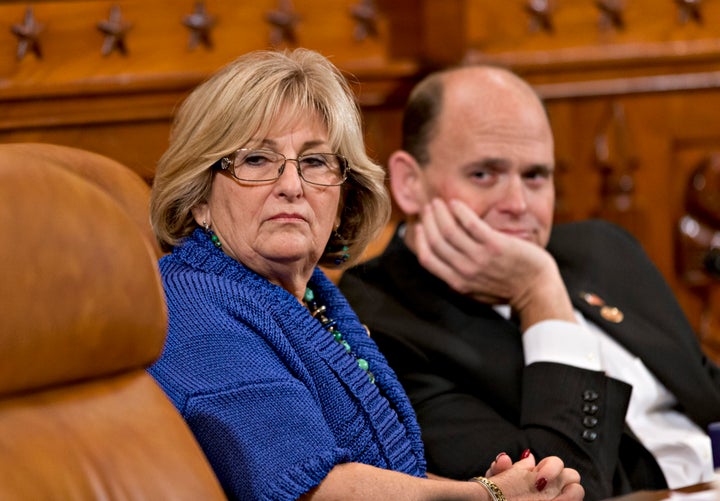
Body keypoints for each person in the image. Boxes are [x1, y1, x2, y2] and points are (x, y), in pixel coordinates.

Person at [147, 49, 584, 501]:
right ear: (199, 197)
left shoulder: (313, 296)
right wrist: (487, 497)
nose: (292, 186)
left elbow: (384, 470)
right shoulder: (194, 302)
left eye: (316, 162)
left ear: (341, 201)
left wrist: (493, 489)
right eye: (256, 160)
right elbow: (310, 487)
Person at [339, 64, 720, 500]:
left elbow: (707, 391)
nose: (519, 204)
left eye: (535, 176)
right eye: (484, 174)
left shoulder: (600, 249)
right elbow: (560, 491)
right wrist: (540, 295)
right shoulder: (377, 323)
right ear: (409, 183)